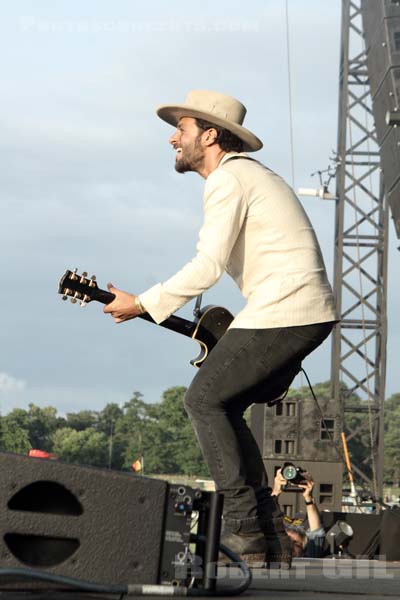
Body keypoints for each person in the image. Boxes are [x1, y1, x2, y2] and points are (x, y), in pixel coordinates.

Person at [103, 90, 337, 567]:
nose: (173, 138)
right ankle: (268, 536)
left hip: (288, 310)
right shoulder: (247, 177)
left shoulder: (230, 178)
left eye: (182, 130)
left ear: (208, 136)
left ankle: (244, 532)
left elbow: (207, 265)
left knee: (202, 399)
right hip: (297, 312)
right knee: (224, 406)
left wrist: (142, 302)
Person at [272, 468, 326, 558]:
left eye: (296, 543)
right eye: (288, 540)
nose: (289, 545)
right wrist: (276, 491)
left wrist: (275, 493)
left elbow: (316, 534)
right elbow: (316, 533)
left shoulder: (306, 560)